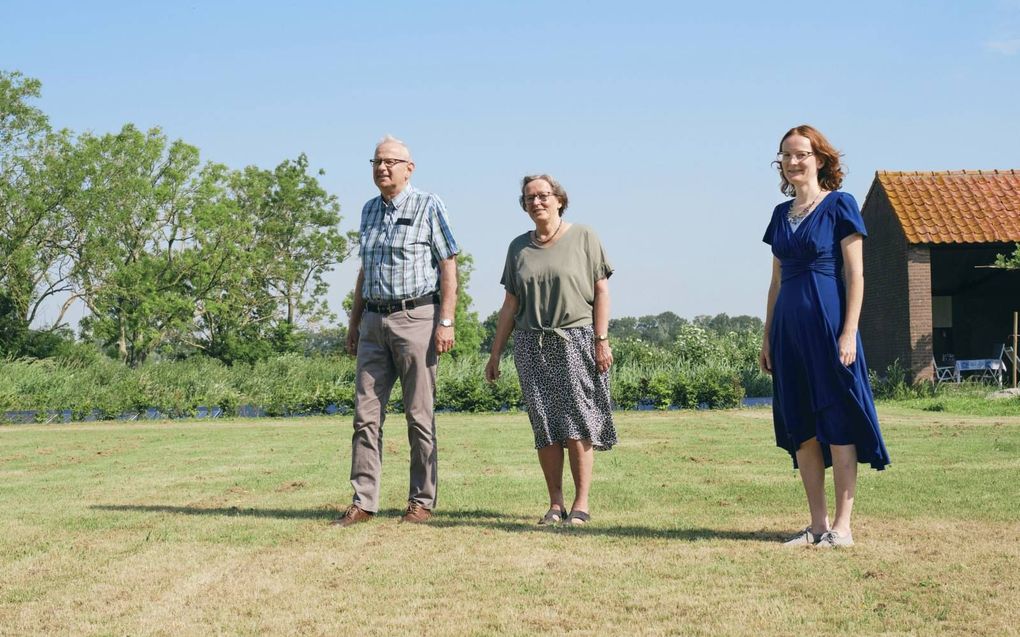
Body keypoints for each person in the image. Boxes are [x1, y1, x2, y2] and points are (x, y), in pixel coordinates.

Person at [760, 125, 891, 548]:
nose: (793, 162)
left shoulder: (840, 205)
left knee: (837, 421)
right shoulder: (780, 215)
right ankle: (816, 525)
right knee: (802, 426)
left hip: (830, 329)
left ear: (820, 158)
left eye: (801, 154)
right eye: (786, 155)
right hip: (787, 334)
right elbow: (776, 281)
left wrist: (849, 330)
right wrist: (767, 337)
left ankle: (843, 527)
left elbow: (856, 273)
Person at [334, 135, 460, 527]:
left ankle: (421, 500)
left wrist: (446, 321)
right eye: (376, 161)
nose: (382, 168)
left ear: (410, 167)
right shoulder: (368, 211)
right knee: (364, 417)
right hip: (373, 321)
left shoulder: (428, 204)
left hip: (417, 317)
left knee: (419, 415)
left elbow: (448, 266)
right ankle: (364, 501)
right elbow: (363, 272)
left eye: (390, 161)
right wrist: (354, 324)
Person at [485, 174, 617, 526]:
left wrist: (601, 340)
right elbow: (510, 304)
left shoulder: (584, 236)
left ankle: (581, 504)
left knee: (577, 422)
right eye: (529, 198)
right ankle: (555, 504)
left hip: (576, 339)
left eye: (543, 195)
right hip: (531, 343)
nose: (536, 202)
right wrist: (495, 353)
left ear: (559, 199)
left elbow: (601, 291)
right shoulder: (518, 247)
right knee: (544, 423)